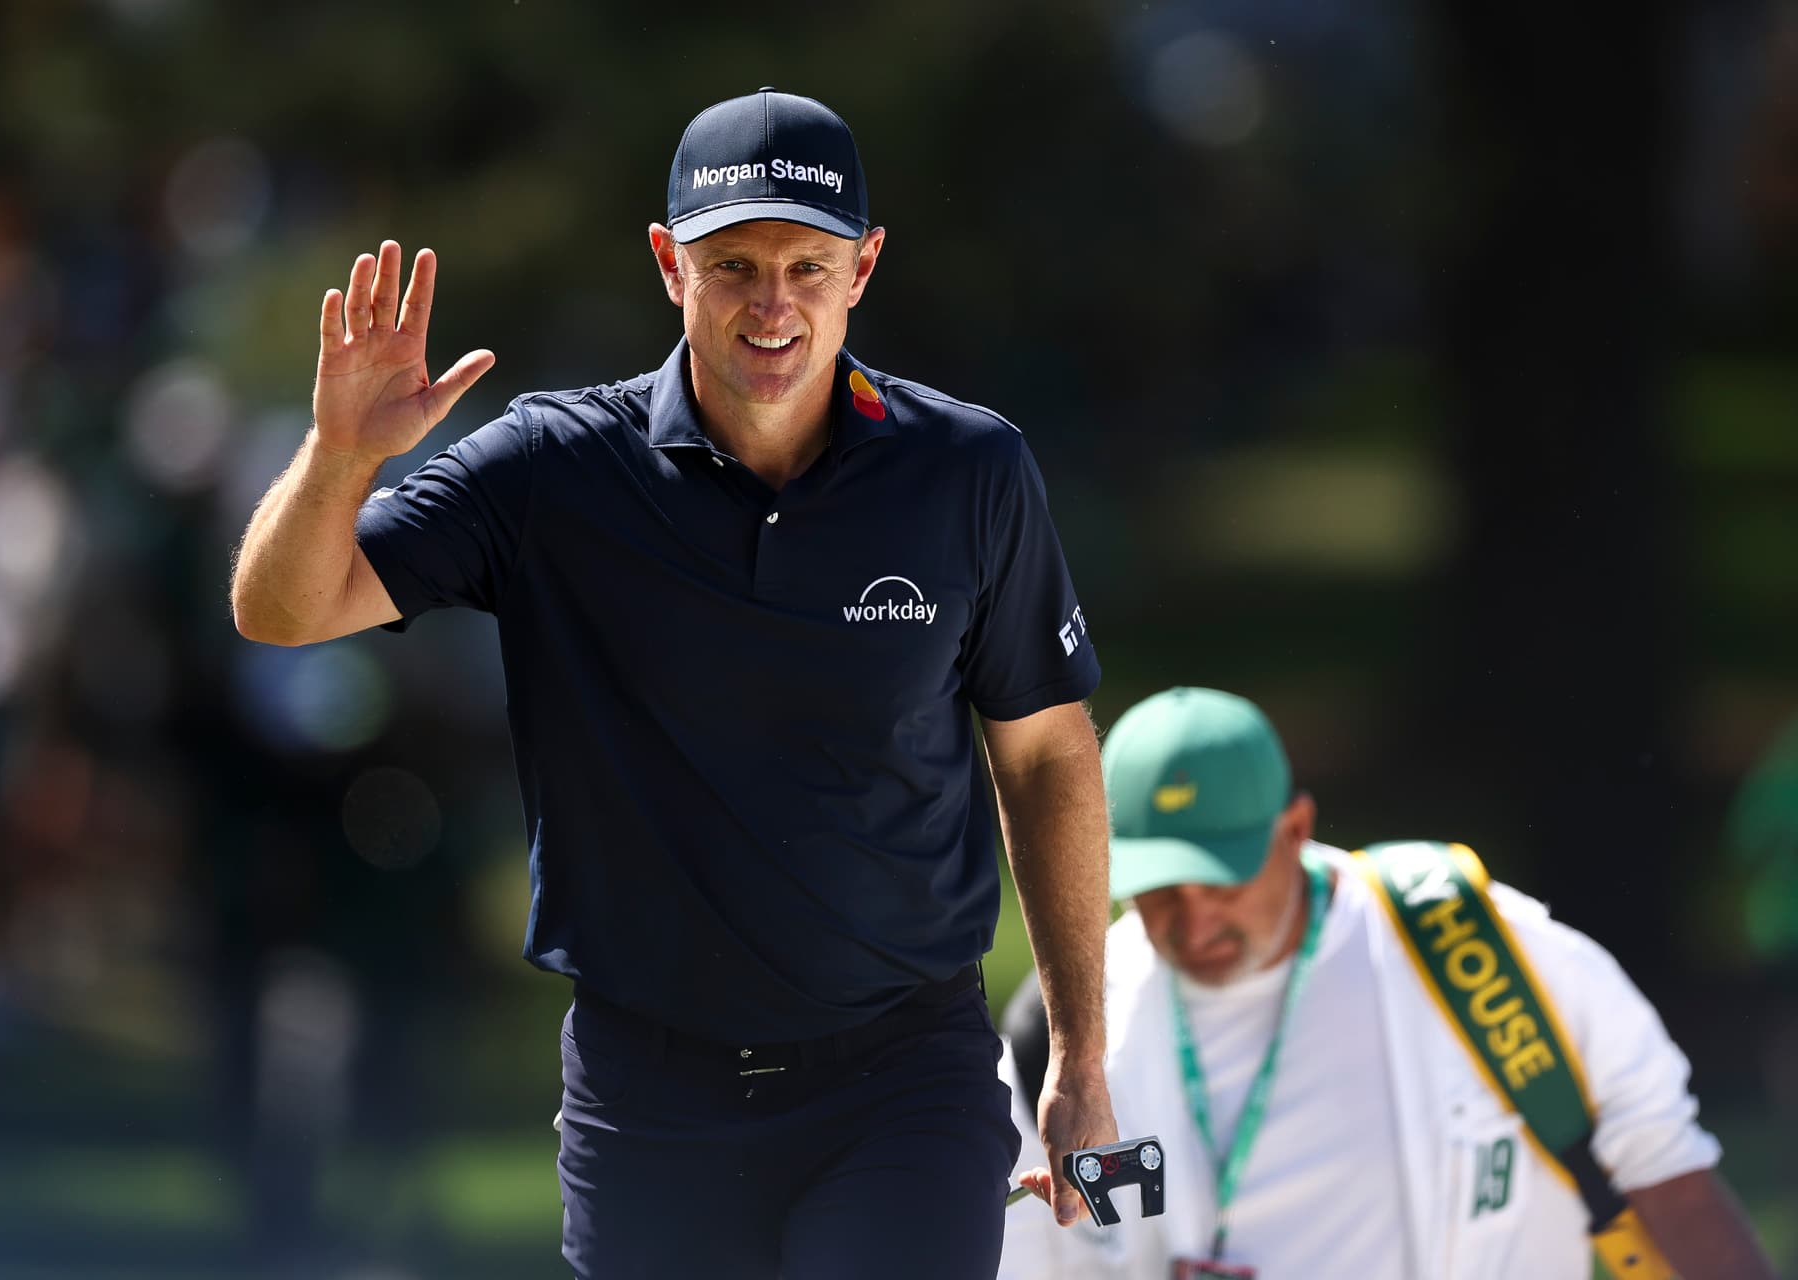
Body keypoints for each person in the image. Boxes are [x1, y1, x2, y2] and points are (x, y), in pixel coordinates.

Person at [229, 88, 1118, 1278]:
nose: (774, 303)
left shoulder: (969, 471)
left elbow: (1048, 752)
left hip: (903, 1076)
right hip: (648, 1094)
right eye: (736, 264)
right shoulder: (553, 469)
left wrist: (1078, 1051)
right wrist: (340, 455)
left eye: (809, 265)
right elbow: (281, 609)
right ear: (668, 264)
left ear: (864, 267)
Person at [1000, 687, 1776, 1279]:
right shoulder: (1062, 1035)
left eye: (1224, 881)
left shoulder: (1485, 954)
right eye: (1162, 889)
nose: (1194, 921)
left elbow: (1673, 1186)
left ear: (1296, 830)